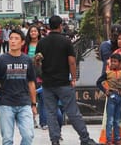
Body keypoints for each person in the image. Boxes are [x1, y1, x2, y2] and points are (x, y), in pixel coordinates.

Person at [34, 15, 98, 145]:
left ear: (48, 27)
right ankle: (85, 139)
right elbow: (72, 62)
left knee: (51, 113)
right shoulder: (66, 41)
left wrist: (42, 72)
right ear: (60, 26)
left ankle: (55, 140)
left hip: (47, 83)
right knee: (73, 112)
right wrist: (73, 77)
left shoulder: (42, 42)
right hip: (63, 82)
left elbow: (37, 60)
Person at [0, 31, 37, 145]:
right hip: (6, 104)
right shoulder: (0, 60)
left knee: (28, 136)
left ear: (22, 42)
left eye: (16, 38)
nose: (13, 41)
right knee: (7, 139)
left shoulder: (27, 60)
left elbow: (31, 83)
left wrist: (34, 104)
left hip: (24, 103)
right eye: (11, 38)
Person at [96, 54, 121, 145]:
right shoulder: (107, 73)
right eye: (111, 61)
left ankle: (117, 139)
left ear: (120, 63)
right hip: (112, 96)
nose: (113, 63)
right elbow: (98, 82)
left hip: (120, 97)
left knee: (117, 120)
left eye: (115, 62)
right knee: (110, 119)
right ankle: (109, 140)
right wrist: (105, 90)